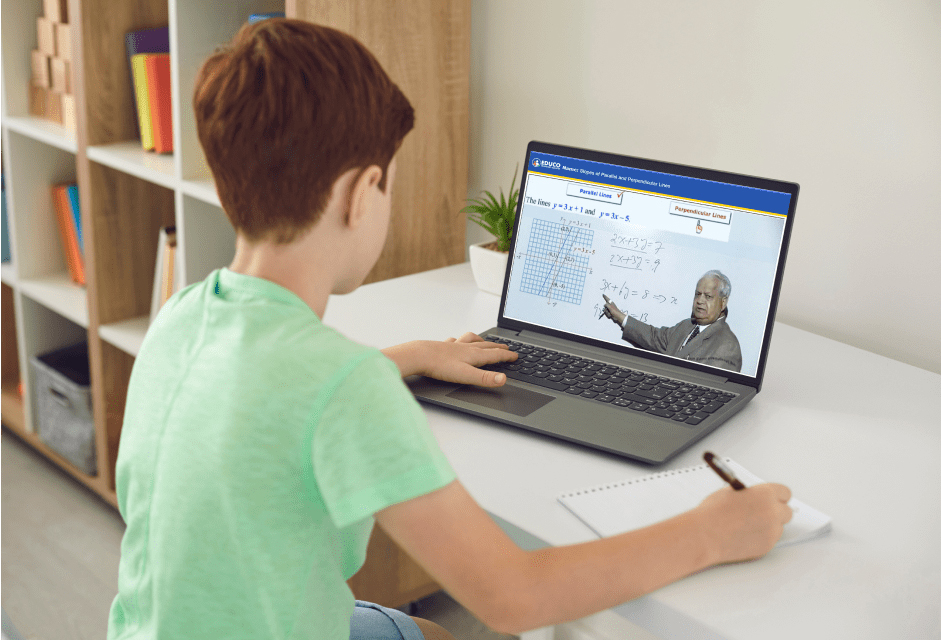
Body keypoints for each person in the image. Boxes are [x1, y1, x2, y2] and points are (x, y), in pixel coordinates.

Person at [107, 19, 791, 640]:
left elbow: (273, 394)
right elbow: (514, 598)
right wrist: (710, 533)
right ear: (359, 193)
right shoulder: (341, 387)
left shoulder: (186, 312)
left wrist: (409, 356)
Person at [602, 270, 743, 372]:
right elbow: (654, 337)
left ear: (723, 303)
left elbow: (715, 393)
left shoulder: (728, 345)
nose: (700, 301)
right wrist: (619, 316)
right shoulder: (686, 326)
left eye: (708, 296)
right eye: (697, 294)